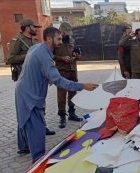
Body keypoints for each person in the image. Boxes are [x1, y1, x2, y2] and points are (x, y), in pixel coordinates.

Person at [15, 27, 98, 162]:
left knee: (23, 119)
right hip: (31, 95)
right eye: (58, 39)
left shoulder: (36, 48)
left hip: (21, 89)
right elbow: (58, 80)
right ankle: (38, 161)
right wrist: (83, 86)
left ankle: (23, 146)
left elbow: (34, 66)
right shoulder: (44, 57)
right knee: (37, 126)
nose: (60, 41)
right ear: (49, 39)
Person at [7, 19, 56, 136]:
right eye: (34, 27)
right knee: (26, 107)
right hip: (25, 78)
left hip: (38, 78)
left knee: (40, 103)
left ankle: (41, 126)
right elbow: (10, 59)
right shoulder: (17, 41)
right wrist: (29, 55)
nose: (36, 29)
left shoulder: (35, 41)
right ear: (27, 27)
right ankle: (26, 134)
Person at [54, 22, 82, 129]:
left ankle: (72, 113)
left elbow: (75, 51)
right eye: (66, 33)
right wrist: (61, 58)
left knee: (73, 92)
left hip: (72, 70)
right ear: (61, 31)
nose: (68, 35)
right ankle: (62, 117)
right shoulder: (55, 41)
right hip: (61, 71)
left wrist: (76, 56)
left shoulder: (72, 39)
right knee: (61, 94)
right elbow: (50, 55)